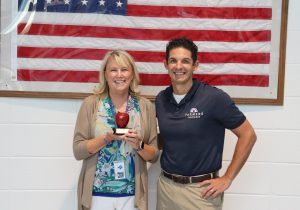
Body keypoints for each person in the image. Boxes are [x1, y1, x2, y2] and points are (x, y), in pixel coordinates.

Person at [155, 37, 257, 210]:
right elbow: (168, 138)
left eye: (185, 61)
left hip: (201, 192)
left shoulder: (214, 98)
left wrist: (227, 178)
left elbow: (248, 134)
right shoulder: (161, 99)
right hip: (166, 188)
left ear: (195, 65)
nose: (178, 66)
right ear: (166, 64)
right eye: (173, 61)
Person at [73, 50, 159, 210]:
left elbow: (154, 155)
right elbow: (78, 151)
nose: (119, 75)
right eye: (113, 70)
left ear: (132, 74)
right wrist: (106, 138)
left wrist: (138, 144)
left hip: (132, 195)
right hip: (97, 194)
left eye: (124, 69)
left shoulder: (145, 106)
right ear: (105, 74)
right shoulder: (91, 104)